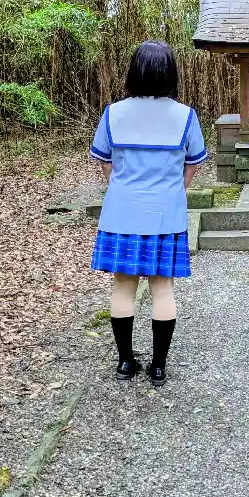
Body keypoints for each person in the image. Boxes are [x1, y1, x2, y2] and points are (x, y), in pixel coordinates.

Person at [89, 41, 207, 386]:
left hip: (121, 213)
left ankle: (125, 363)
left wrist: (122, 188)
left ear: (134, 72)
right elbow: (193, 164)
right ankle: (158, 367)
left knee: (123, 286)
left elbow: (105, 162)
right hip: (165, 214)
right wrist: (173, 190)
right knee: (163, 287)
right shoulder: (185, 116)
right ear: (170, 74)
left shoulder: (113, 113)